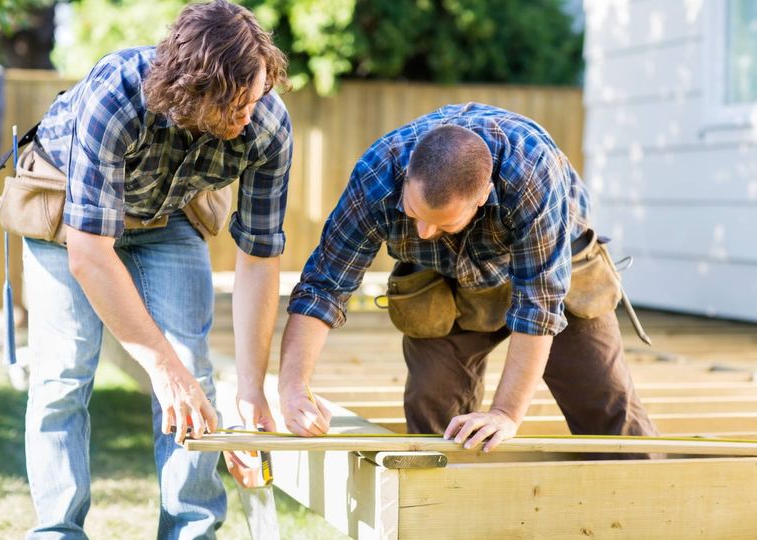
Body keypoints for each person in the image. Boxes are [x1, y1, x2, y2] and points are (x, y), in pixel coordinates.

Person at [21, 1, 292, 537]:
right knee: (62, 375)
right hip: (68, 217)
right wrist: (161, 371)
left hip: (167, 214)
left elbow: (260, 257)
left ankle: (192, 529)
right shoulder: (116, 96)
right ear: (193, 90)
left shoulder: (266, 126)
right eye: (237, 103)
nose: (250, 113)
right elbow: (89, 254)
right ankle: (58, 530)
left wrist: (253, 389)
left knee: (194, 368)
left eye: (257, 94)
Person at [277, 102, 658, 456]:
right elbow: (324, 287)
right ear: (407, 173)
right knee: (433, 411)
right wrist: (294, 386)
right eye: (414, 211)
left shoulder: (531, 172)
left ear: (483, 197)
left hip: (556, 270)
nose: (423, 231)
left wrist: (506, 414)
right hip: (442, 276)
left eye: (442, 221)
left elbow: (538, 307)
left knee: (608, 410)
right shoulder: (377, 177)